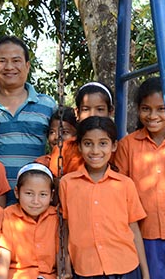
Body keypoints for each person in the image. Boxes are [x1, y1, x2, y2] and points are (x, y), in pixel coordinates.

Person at [114, 77, 165, 278]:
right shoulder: (128, 145)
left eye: (161, 109)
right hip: (143, 237)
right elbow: (120, 192)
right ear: (138, 110)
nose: (153, 115)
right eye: (146, 108)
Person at [59, 116, 149, 279]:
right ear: (79, 146)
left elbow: (134, 229)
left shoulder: (125, 184)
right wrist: (65, 265)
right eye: (88, 144)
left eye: (103, 143)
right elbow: (65, 228)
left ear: (114, 146)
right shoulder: (67, 184)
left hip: (125, 266)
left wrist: (146, 273)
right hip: (86, 269)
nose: (95, 151)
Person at [0, 35, 57, 205]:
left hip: (34, 204)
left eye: (16, 60)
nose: (9, 67)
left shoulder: (47, 105)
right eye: (2, 61)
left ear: (27, 65)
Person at [0, 163, 61, 279]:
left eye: (43, 194)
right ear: (17, 192)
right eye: (29, 193)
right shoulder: (9, 215)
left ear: (51, 195)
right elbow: (4, 255)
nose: (35, 201)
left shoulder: (56, 216)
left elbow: (61, 254)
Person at [49, 82, 114, 176]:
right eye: (86, 109)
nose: (92, 114)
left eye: (99, 109)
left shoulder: (116, 148)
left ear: (110, 111)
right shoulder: (64, 149)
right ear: (77, 113)